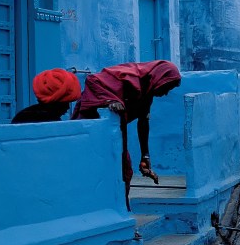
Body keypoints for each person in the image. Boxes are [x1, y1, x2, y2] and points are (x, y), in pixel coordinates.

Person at [72, 60, 182, 210]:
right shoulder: (129, 76)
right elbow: (93, 80)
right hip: (92, 129)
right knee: (99, 172)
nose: (165, 93)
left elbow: (143, 121)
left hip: (116, 133)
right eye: (167, 87)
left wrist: (145, 156)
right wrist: (109, 100)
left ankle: (122, 211)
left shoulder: (147, 91)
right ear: (159, 78)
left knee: (125, 170)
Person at [11, 68, 81, 124]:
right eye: (65, 103)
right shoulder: (50, 120)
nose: (68, 108)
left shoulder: (21, 116)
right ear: (55, 103)